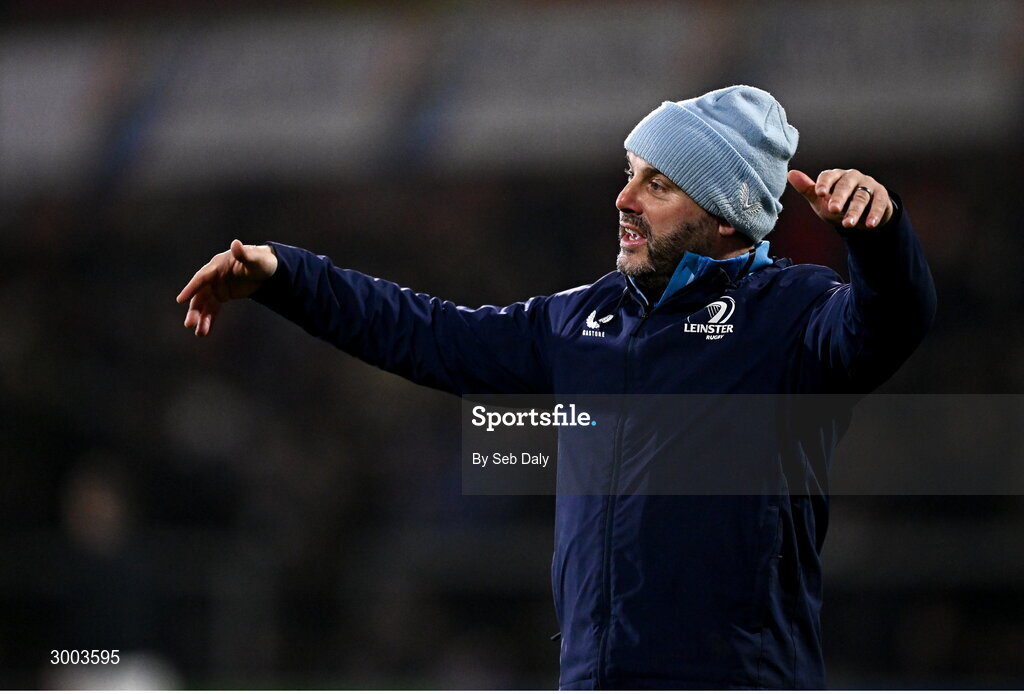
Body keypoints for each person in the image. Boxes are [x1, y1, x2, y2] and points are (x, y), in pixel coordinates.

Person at [177, 86, 936, 689]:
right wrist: (288, 277)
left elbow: (889, 323)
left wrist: (879, 234)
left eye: (658, 183)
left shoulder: (794, 314)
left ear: (728, 216)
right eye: (629, 172)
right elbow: (432, 335)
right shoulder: (585, 318)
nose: (625, 198)